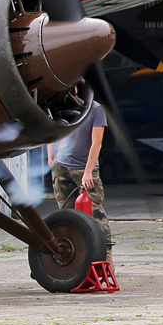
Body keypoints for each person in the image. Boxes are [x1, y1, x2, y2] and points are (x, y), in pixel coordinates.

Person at [48, 100, 114, 270]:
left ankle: (106, 256)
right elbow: (52, 131)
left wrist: (88, 171)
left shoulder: (95, 109)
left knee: (95, 212)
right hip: (61, 166)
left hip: (84, 168)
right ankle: (74, 257)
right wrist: (51, 159)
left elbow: (96, 143)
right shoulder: (58, 106)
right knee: (66, 213)